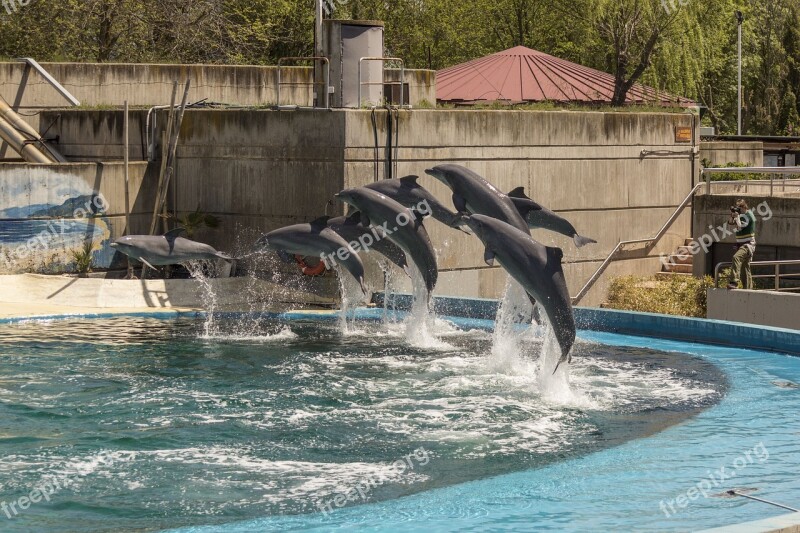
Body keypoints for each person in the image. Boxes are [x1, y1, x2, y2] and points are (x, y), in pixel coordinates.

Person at [727, 199, 756, 289]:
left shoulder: (749, 215)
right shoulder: (741, 215)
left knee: (736, 257)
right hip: (741, 245)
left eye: (739, 208)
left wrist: (737, 217)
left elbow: (740, 226)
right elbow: (730, 223)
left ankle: (734, 282)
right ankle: (748, 289)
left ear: (744, 207)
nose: (738, 210)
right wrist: (732, 215)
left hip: (747, 245)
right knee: (744, 268)